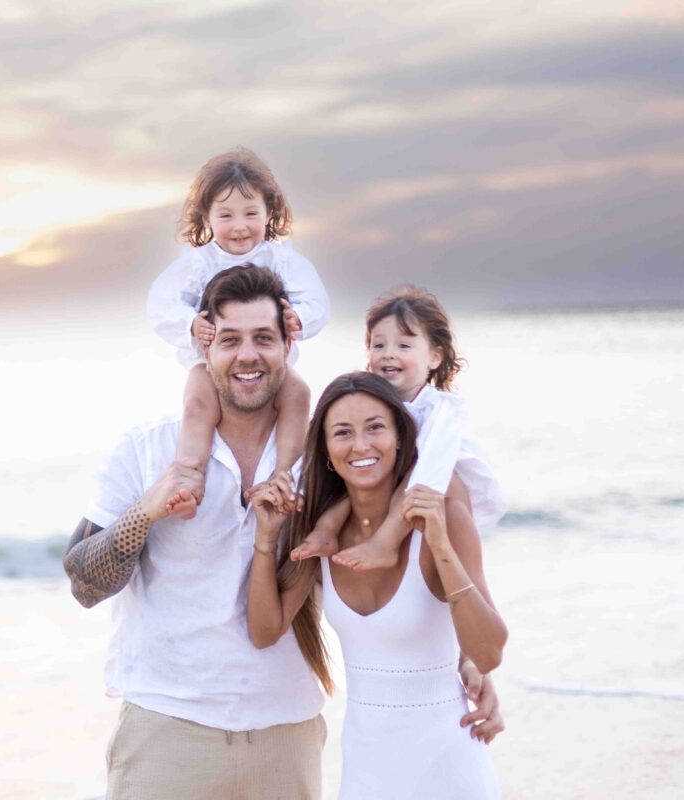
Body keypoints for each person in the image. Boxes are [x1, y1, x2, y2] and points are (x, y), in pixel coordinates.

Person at [64, 266, 500, 800]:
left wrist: (468, 663)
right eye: (230, 339)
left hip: (286, 735)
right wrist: (145, 513)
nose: (247, 355)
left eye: (263, 338)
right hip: (167, 728)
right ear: (205, 346)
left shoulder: (327, 453)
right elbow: (84, 585)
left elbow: (415, 546)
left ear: (289, 343)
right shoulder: (149, 451)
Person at [247, 371, 508, 799]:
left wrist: (440, 544)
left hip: (451, 772)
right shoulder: (320, 535)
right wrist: (266, 539)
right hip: (366, 775)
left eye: (375, 428)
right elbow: (264, 630)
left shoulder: (443, 517)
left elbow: (488, 652)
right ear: (327, 451)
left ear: (401, 438)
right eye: (343, 432)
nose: (361, 446)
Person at [146, 147, 330, 519]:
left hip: (270, 368)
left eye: (251, 213)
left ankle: (285, 479)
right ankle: (189, 477)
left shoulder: (281, 259)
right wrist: (189, 323)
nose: (240, 226)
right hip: (210, 365)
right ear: (207, 217)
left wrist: (300, 317)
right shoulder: (199, 263)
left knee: (299, 393)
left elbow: (317, 299)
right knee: (198, 403)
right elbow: (160, 303)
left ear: (269, 212)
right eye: (226, 215)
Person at [293, 285, 505, 570]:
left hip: (434, 480)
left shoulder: (441, 409)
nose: (388, 354)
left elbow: (432, 465)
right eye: (378, 345)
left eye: (404, 346)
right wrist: (296, 486)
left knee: (407, 473)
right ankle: (326, 530)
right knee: (353, 467)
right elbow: (319, 438)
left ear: (434, 357)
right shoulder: (369, 402)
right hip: (391, 476)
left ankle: (385, 544)